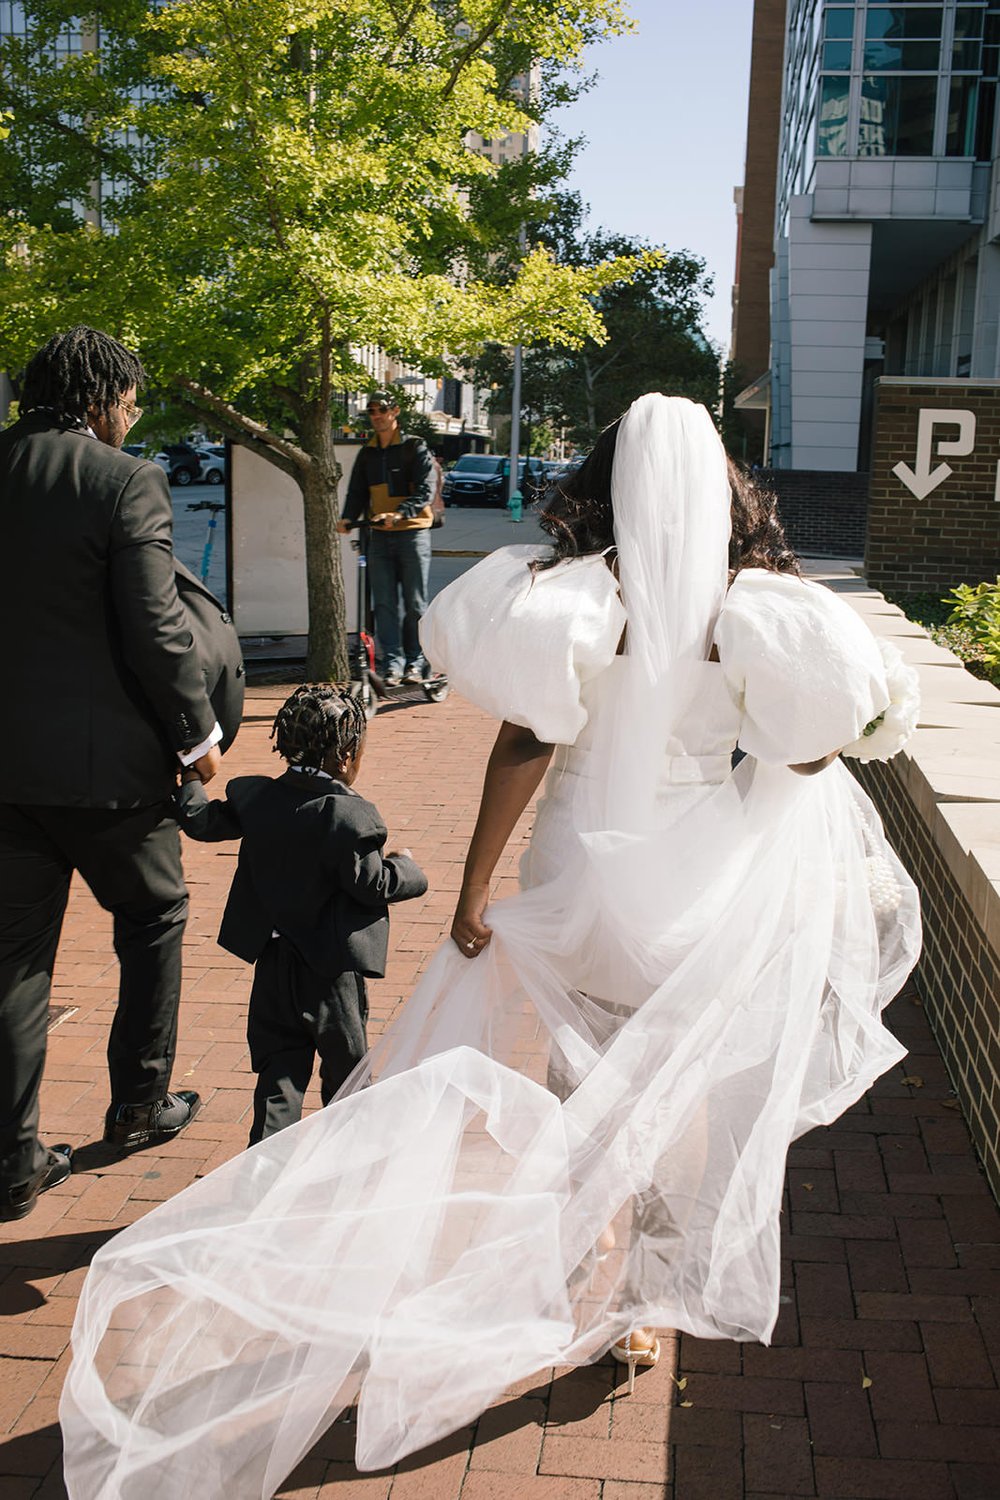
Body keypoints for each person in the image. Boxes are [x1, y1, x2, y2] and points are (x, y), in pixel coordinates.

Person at [61, 396, 921, 1495]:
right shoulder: (760, 612)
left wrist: (470, 888)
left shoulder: (574, 597)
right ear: (722, 485)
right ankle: (637, 1304)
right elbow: (805, 754)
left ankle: (586, 1272)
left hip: (573, 872)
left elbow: (523, 746)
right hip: (698, 874)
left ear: (607, 476)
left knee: (578, 1079)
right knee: (669, 1087)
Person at [0, 326, 241, 1224]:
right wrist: (196, 736)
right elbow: (156, 628)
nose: (132, 417)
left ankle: (14, 1163)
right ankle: (138, 1107)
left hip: (6, 778)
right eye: (130, 401)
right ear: (100, 399)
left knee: (15, 966)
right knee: (152, 918)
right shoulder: (123, 480)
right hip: (111, 780)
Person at [173, 685, 428, 1143]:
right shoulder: (348, 816)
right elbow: (373, 884)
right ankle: (346, 1164)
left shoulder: (256, 799)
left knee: (279, 1072)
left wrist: (190, 779)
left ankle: (265, 1173)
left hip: (271, 964)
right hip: (331, 975)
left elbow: (202, 822)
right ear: (347, 756)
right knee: (346, 1075)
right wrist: (405, 866)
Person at [336, 391, 436, 685]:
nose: (376, 415)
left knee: (416, 604)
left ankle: (416, 662)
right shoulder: (367, 453)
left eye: (382, 409)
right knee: (384, 604)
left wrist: (401, 513)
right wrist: (347, 518)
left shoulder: (414, 448)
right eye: (372, 411)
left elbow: (425, 490)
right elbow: (357, 491)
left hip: (412, 534)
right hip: (378, 537)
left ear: (395, 412)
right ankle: (393, 664)